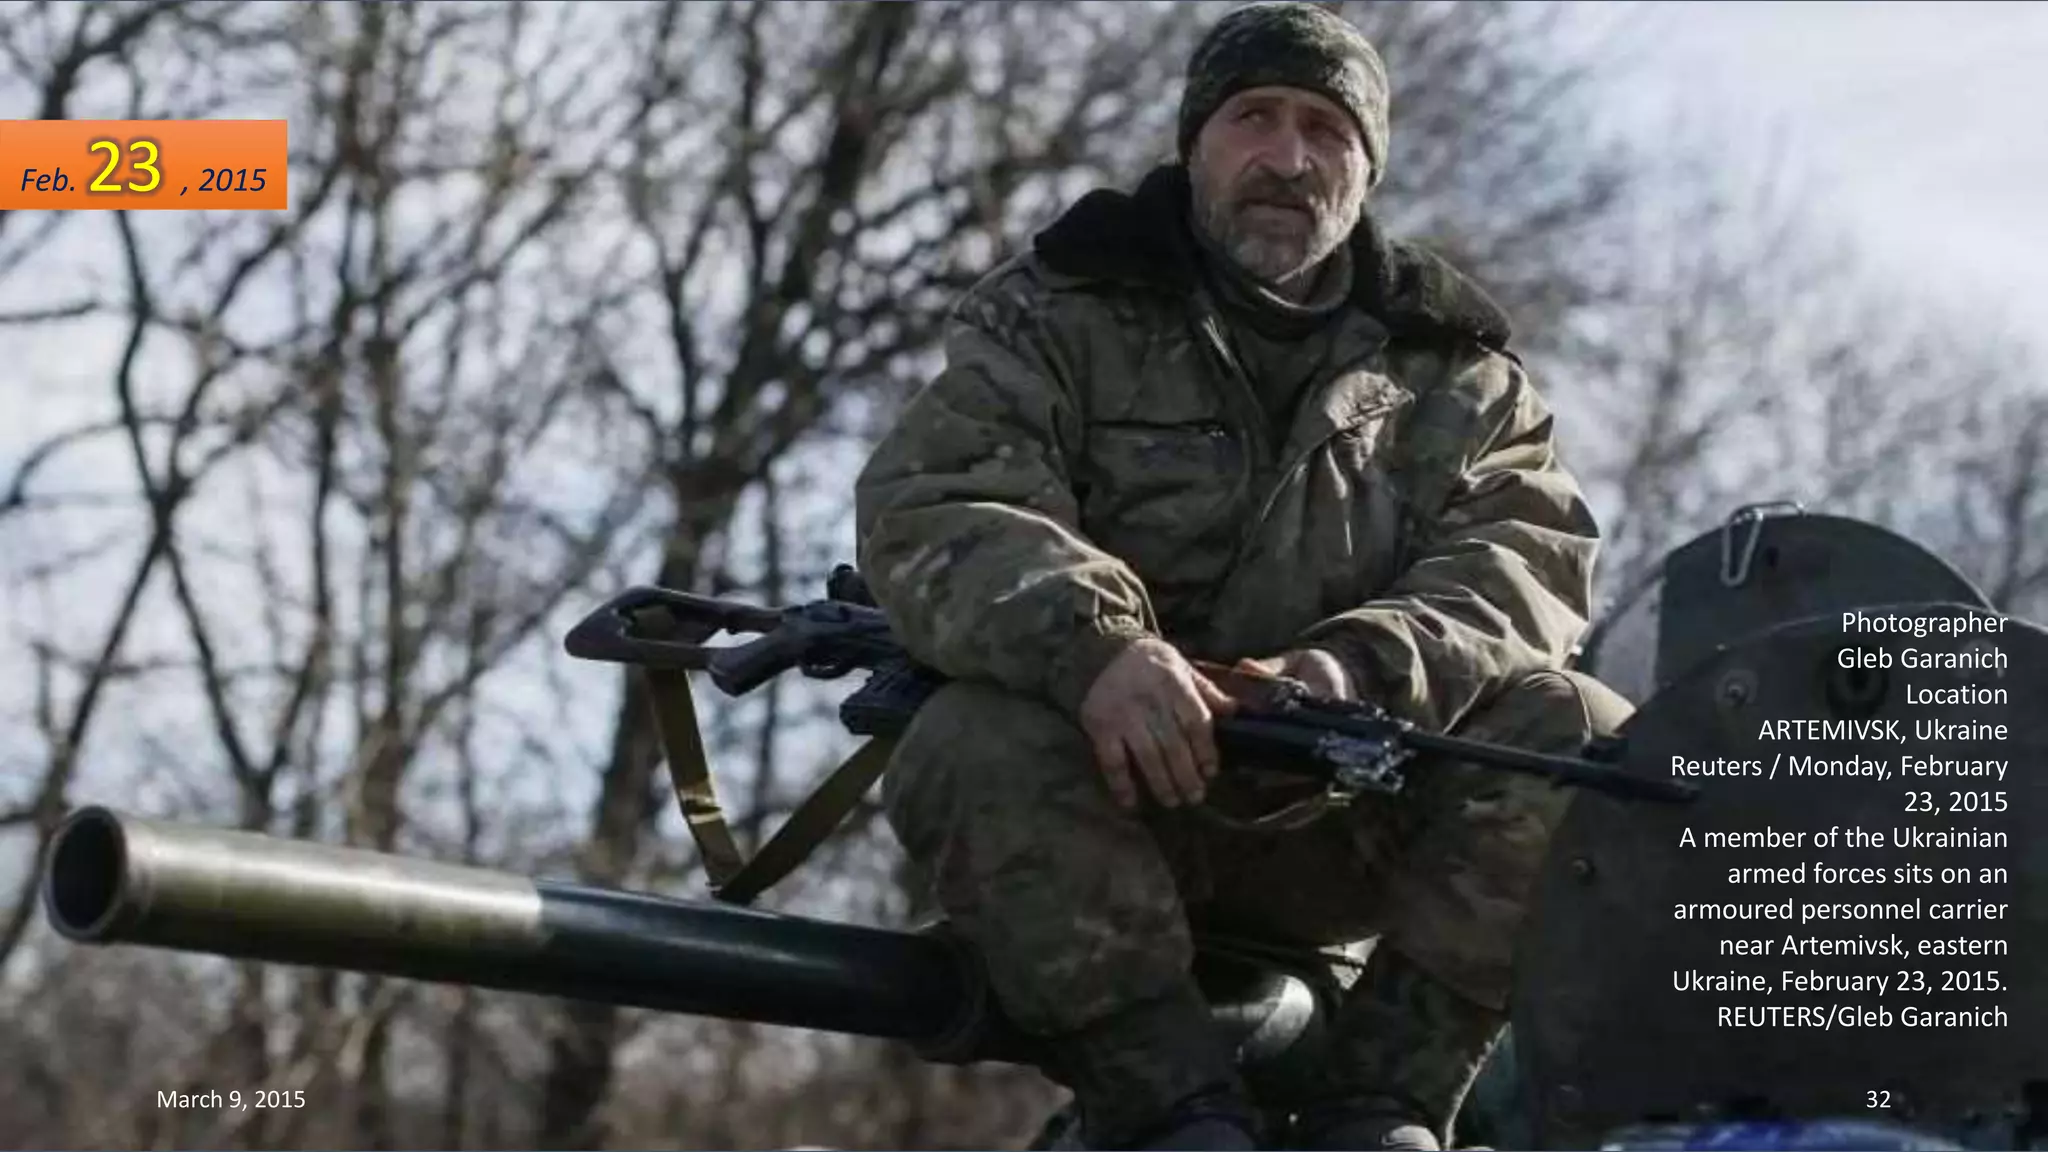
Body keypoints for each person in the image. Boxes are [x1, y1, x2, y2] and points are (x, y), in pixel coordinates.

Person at [853, 3, 1632, 1148]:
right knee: (966, 739)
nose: (1286, 157)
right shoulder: (1057, 309)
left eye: (1325, 128)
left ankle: (1382, 1107)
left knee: (1583, 737)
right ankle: (1170, 1110)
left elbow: (1525, 567)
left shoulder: (1458, 377)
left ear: (1365, 170)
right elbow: (941, 502)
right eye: (1252, 118)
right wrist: (1097, 653)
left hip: (1348, 825)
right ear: (1195, 144)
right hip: (1098, 805)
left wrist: (1352, 672)